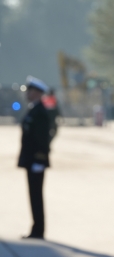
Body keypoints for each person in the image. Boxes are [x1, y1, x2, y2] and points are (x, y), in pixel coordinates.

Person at [19, 76, 53, 239]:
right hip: (31, 160)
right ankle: (36, 228)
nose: (27, 93)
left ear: (37, 93)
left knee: (36, 196)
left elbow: (42, 139)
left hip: (35, 161)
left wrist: (39, 160)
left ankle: (38, 230)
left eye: (30, 91)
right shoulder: (34, 109)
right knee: (33, 195)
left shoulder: (40, 112)